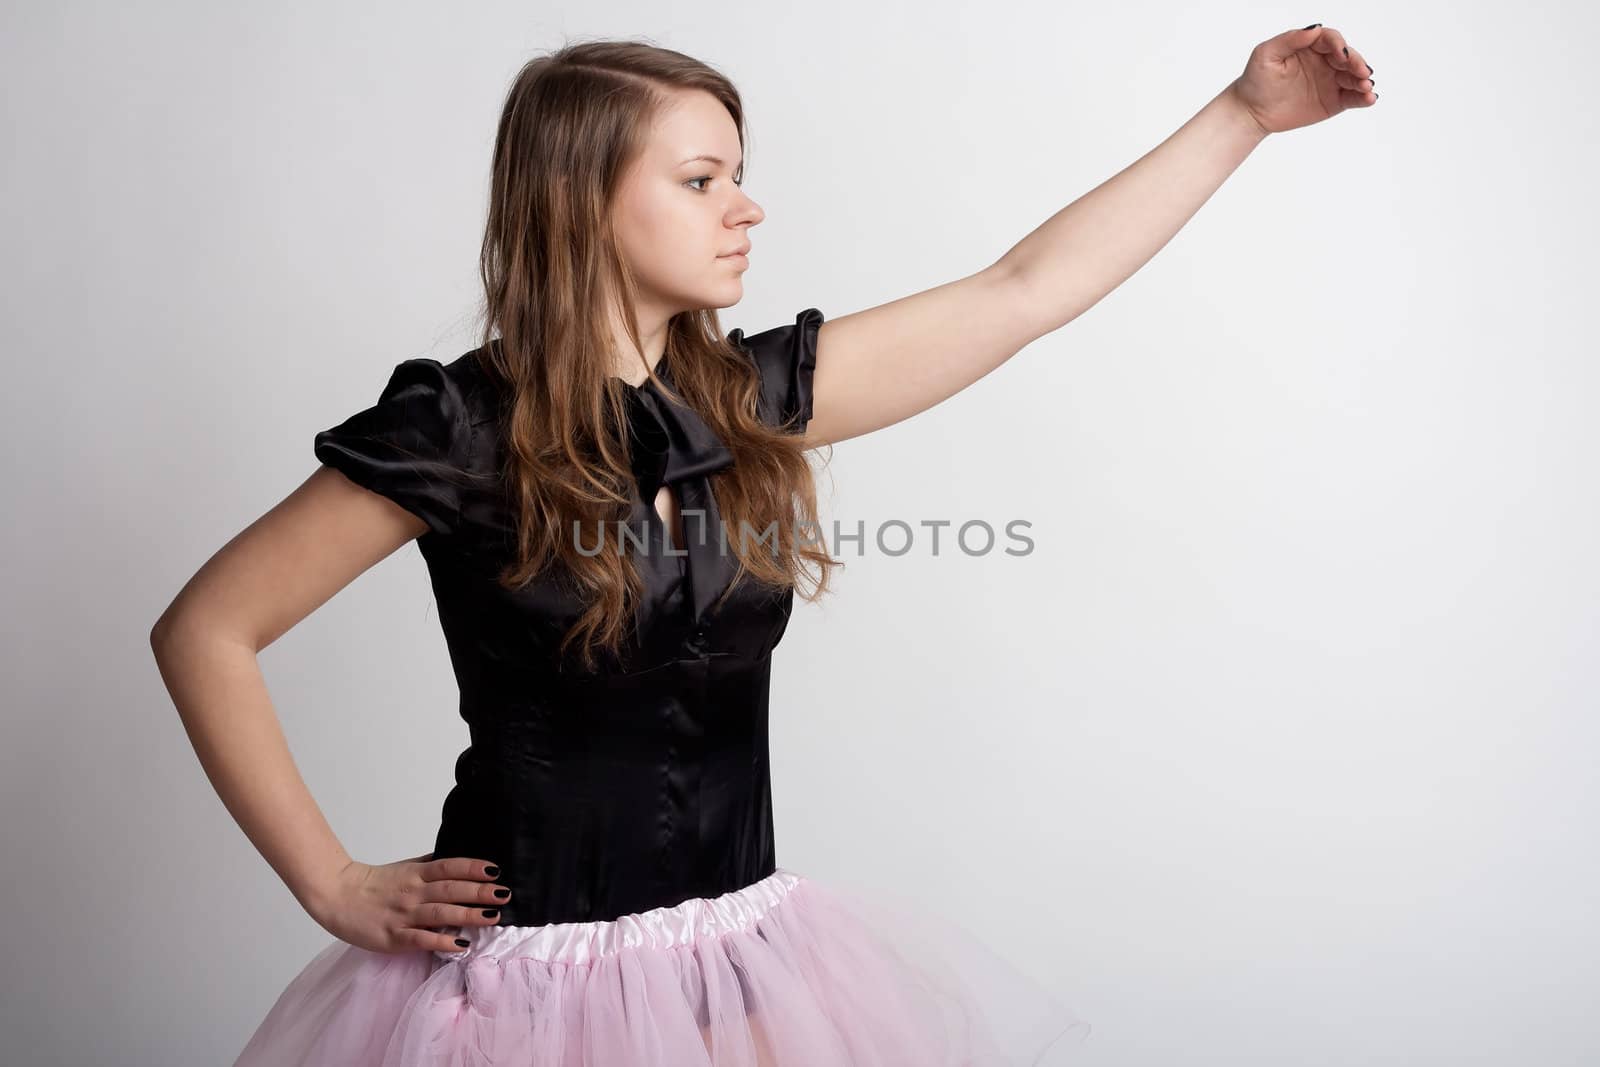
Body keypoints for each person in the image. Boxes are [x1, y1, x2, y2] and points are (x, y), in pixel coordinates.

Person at [150, 25, 1376, 1066]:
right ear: (580, 197)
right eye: (699, 181)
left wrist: (1244, 113)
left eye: (736, 174)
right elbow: (207, 627)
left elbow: (1023, 288)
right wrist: (330, 880)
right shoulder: (457, 430)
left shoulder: (745, 398)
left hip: (739, 967)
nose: (746, 207)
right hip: (523, 987)